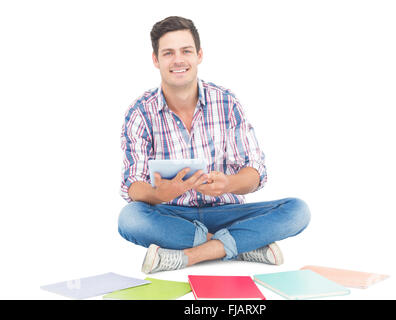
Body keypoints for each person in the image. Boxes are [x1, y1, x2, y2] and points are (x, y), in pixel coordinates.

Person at [118, 16, 311, 274]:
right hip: (172, 215)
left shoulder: (226, 102)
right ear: (156, 60)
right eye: (168, 53)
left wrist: (229, 184)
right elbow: (133, 185)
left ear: (199, 55)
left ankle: (192, 254)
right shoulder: (140, 112)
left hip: (228, 212)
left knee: (298, 211)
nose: (178, 60)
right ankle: (242, 245)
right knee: (129, 219)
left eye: (186, 51)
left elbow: (255, 172)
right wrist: (160, 194)